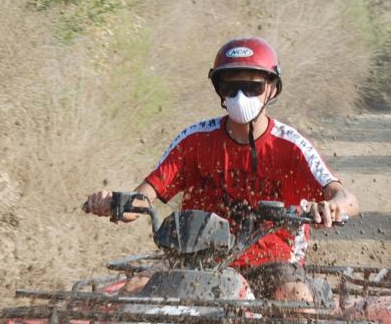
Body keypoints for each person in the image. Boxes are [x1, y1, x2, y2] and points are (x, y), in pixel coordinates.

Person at [84, 37, 359, 304]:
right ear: (219, 89)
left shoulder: (291, 146)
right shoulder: (194, 141)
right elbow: (141, 201)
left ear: (272, 89)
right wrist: (111, 203)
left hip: (271, 260)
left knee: (295, 299)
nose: (241, 96)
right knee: (134, 289)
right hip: (195, 257)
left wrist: (332, 208)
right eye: (231, 87)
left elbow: (347, 200)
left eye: (252, 87)